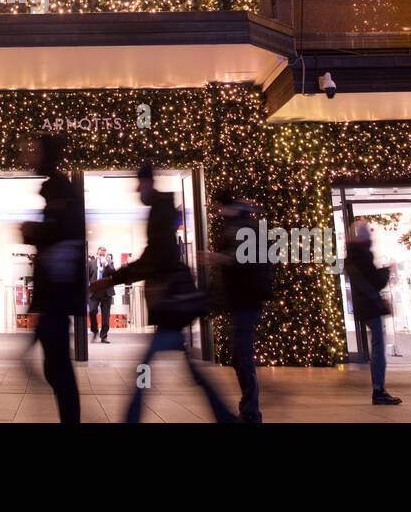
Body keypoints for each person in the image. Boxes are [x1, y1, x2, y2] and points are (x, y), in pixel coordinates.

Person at [93, 163, 239, 424]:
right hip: (171, 303)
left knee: (145, 366)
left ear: (148, 182)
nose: (138, 189)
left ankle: (132, 416)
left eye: (140, 183)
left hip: (169, 301)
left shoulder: (159, 210)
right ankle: (224, 416)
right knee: (183, 370)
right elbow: (156, 254)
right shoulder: (161, 210)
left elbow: (156, 256)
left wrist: (115, 277)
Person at [20, 134, 85, 424]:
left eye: (33, 151)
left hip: (56, 295)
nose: (28, 156)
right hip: (53, 296)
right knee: (55, 365)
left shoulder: (60, 189)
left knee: (57, 367)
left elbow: (61, 234)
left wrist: (31, 230)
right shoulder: (57, 188)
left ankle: (70, 419)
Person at [213, 190, 273, 423]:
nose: (218, 211)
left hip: (246, 300)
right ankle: (250, 407)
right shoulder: (242, 223)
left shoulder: (242, 226)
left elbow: (243, 257)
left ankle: (251, 410)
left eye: (220, 206)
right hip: (243, 300)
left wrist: (218, 258)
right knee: (240, 355)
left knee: (242, 355)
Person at [343, 221, 402, 405]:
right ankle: (379, 389)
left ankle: (379, 388)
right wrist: (386, 271)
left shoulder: (352, 255)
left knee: (376, 345)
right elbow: (375, 281)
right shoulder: (362, 255)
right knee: (378, 346)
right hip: (370, 305)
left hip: (363, 305)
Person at [86, 246, 115, 343]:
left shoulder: (109, 263)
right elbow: (87, 277)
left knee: (106, 316)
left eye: (103, 254)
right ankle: (94, 330)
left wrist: (106, 264)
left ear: (105, 254)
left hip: (106, 293)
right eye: (100, 254)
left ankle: (104, 336)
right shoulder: (91, 263)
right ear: (97, 254)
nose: (102, 255)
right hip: (94, 292)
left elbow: (114, 274)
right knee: (92, 311)